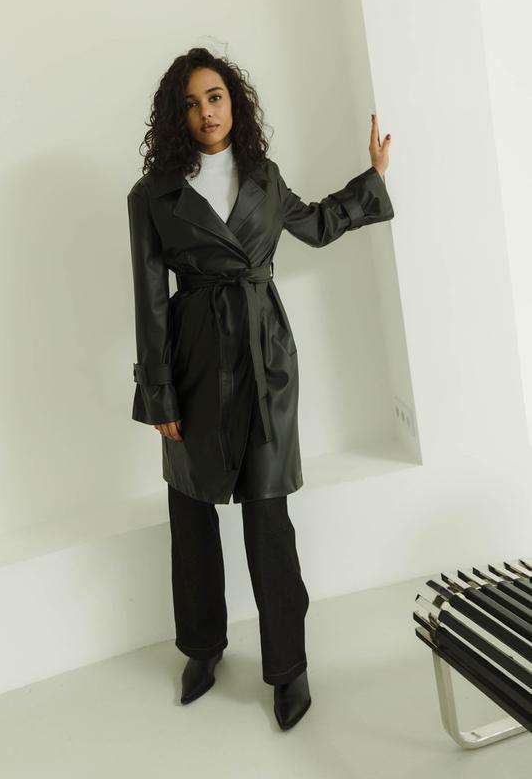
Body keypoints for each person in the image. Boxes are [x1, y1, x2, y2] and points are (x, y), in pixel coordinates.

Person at [127, 47, 394, 731]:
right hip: (191, 360)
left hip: (265, 354)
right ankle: (202, 647)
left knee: (268, 513)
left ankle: (288, 665)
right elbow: (149, 300)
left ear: (233, 103)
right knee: (191, 511)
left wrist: (373, 178)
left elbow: (318, 225)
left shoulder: (263, 178)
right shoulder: (152, 195)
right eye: (190, 103)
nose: (205, 112)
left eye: (214, 97)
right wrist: (158, 393)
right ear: (176, 116)